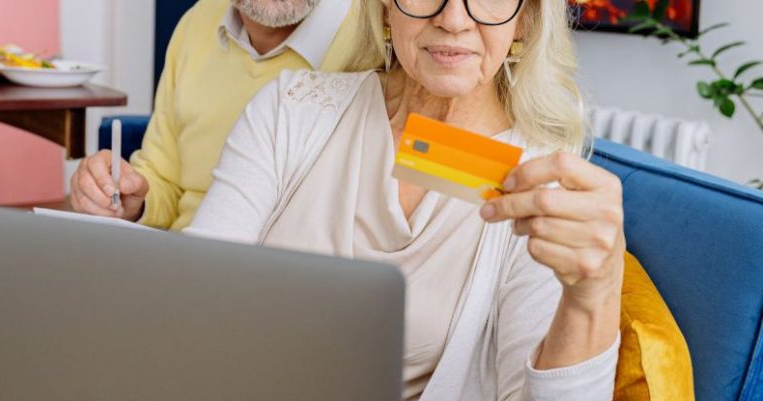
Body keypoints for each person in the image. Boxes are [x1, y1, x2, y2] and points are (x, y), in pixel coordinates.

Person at [187, 0, 625, 400]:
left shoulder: (540, 190)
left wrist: (594, 295)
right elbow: (194, 296)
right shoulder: (292, 109)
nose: (453, 19)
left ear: (524, 20)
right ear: (382, 10)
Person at [69, 0, 358, 231]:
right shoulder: (197, 23)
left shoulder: (384, 40)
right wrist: (127, 199)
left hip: (295, 286)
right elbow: (164, 181)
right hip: (187, 270)